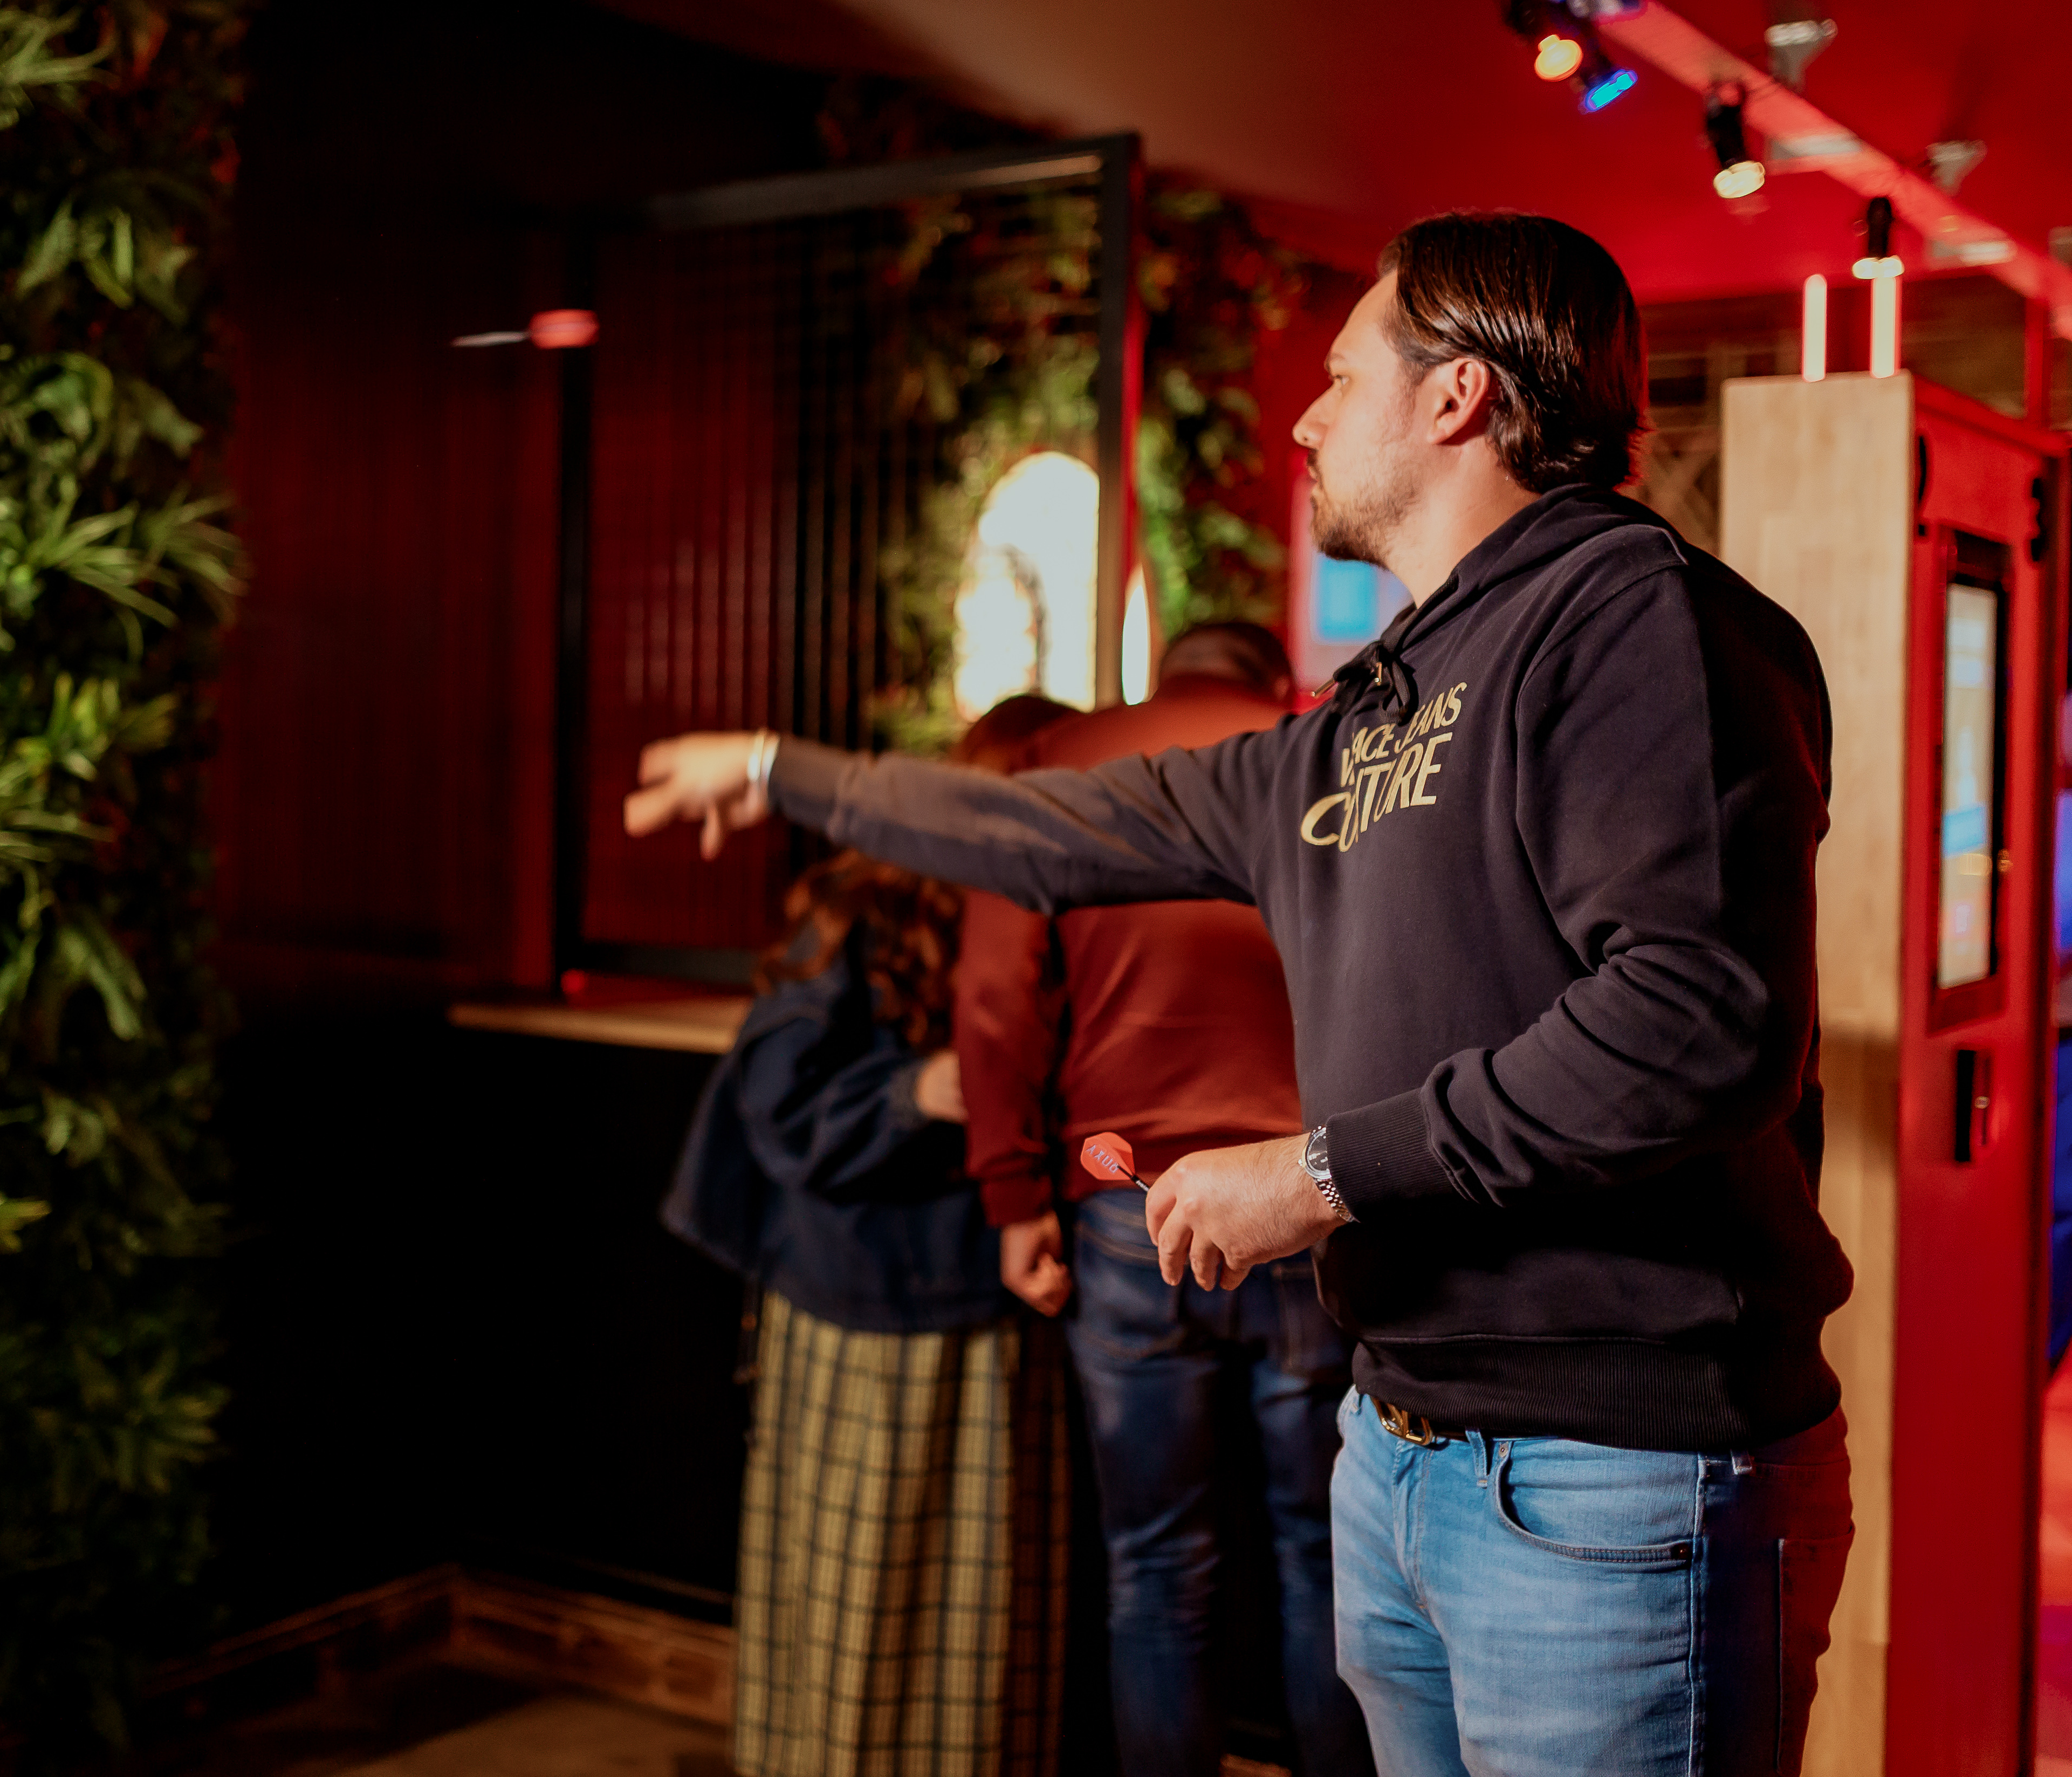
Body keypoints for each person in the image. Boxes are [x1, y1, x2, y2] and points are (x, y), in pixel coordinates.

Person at [627, 211, 1856, 1776]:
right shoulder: (1371, 711)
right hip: (1403, 1443)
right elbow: (1052, 825)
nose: (1302, 416)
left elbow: (1693, 1028)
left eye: (1342, 376)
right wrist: (779, 772)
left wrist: (1321, 1172)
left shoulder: (1633, 620)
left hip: (1613, 1470)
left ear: (1457, 398)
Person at [958, 622, 1371, 1777]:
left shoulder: (1069, 759)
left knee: (1153, 1566)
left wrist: (1012, 1198)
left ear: (1164, 676)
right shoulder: (1326, 752)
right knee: (1326, 1563)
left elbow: (996, 994)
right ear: (1264, 679)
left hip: (1130, 1206)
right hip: (1305, 1201)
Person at [663, 699, 1069, 1777]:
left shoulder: (1070, 906)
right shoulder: (865, 906)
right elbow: (779, 1104)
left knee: (985, 1610)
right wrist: (922, 1089)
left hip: (998, 1305)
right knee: (859, 1603)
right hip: (863, 1303)